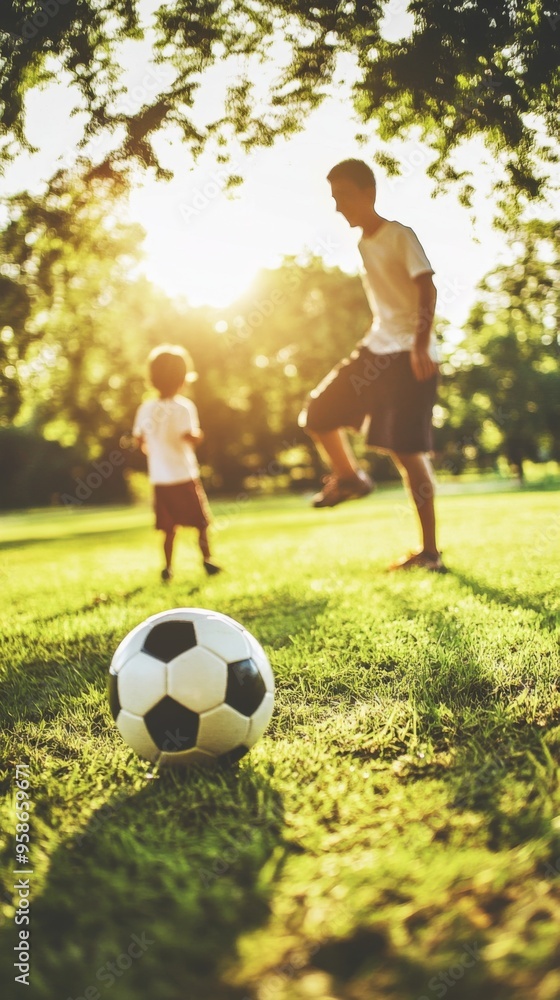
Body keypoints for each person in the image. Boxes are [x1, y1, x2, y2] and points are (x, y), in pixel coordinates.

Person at [299, 158, 445, 572]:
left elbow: (426, 287)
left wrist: (419, 344)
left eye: (343, 196)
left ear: (369, 194)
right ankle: (351, 478)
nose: (338, 206)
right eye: (333, 198)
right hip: (377, 351)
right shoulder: (363, 244)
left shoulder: (399, 234)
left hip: (410, 358)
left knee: (407, 452)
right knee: (318, 412)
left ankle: (429, 553)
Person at [133, 344, 221, 581]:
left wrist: (149, 446)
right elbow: (189, 437)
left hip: (160, 478)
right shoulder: (184, 407)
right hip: (184, 474)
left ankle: (168, 567)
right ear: (183, 379)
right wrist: (198, 435)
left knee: (168, 528)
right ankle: (206, 559)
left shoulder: (146, 409)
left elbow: (138, 439)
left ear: (152, 379)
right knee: (200, 523)